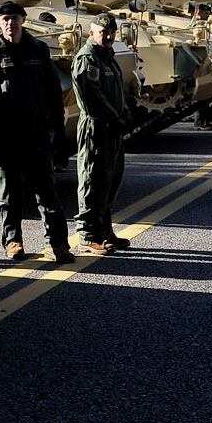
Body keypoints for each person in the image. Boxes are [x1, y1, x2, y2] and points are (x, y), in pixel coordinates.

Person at [0, 1, 72, 263]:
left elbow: (53, 93)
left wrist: (59, 131)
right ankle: (13, 240)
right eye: (4, 18)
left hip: (35, 132)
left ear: (23, 20)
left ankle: (57, 242)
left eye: (15, 17)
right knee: (8, 194)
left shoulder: (38, 49)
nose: (10, 22)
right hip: (4, 136)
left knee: (47, 192)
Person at [72, 13, 133, 257]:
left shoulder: (108, 58)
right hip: (96, 127)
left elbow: (117, 91)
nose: (107, 36)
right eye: (102, 32)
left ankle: (105, 231)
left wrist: (126, 113)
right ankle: (87, 236)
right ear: (92, 33)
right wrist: (115, 118)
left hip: (112, 128)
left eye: (111, 32)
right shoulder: (88, 59)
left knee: (110, 180)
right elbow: (92, 97)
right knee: (92, 180)